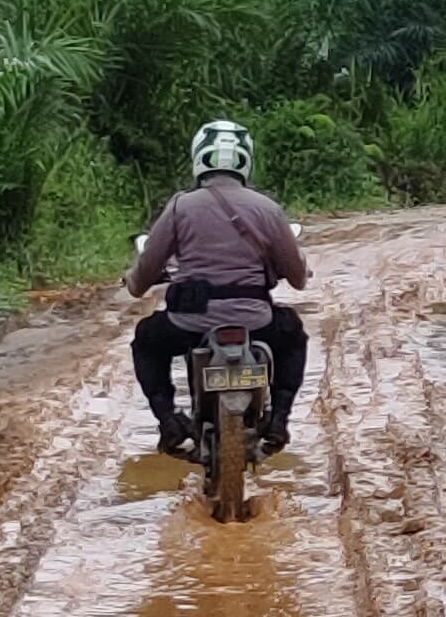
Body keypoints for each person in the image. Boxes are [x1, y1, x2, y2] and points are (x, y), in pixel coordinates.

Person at [125, 120, 311, 458]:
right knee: (294, 336)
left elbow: (145, 272)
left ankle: (168, 421)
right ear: (245, 160)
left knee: (146, 342)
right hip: (256, 322)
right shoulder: (268, 209)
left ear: (199, 158)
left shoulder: (181, 206)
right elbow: (298, 278)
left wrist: (133, 281)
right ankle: (279, 419)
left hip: (189, 324)